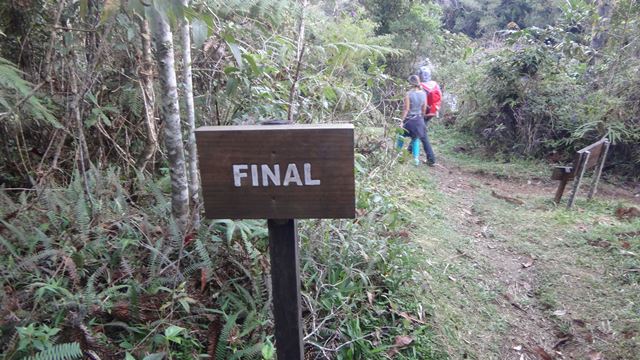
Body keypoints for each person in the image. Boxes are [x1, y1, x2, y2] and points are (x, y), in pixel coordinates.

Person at [397, 75, 436, 166]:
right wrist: (421, 119)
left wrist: (401, 121)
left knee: (400, 136)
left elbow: (406, 109)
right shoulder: (423, 94)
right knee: (415, 140)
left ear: (410, 83)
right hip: (418, 120)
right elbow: (424, 108)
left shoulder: (408, 94)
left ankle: (396, 154)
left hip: (409, 120)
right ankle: (416, 161)